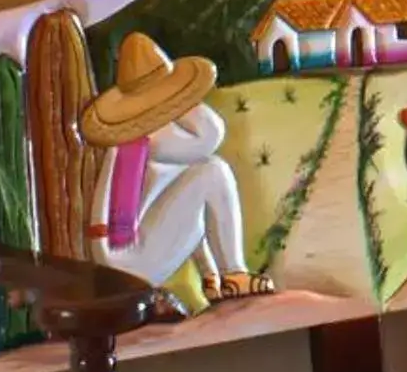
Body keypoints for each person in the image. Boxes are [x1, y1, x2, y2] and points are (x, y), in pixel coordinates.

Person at [78, 32, 274, 306]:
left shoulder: (142, 141)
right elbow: (210, 136)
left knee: (206, 174)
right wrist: (180, 100)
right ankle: (235, 274)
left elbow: (182, 215)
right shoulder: (154, 139)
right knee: (213, 171)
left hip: (123, 257)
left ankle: (227, 276)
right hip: (126, 259)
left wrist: (208, 274)